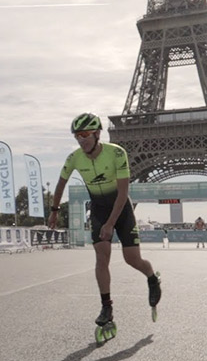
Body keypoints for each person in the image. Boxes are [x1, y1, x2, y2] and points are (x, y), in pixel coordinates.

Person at [48, 112, 161, 337]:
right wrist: (54, 211)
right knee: (101, 257)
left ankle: (151, 276)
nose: (81, 140)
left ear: (97, 134)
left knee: (132, 260)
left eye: (85, 135)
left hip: (121, 209)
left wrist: (111, 224)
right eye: (76, 136)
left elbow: (123, 192)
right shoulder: (74, 158)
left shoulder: (117, 153)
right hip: (99, 209)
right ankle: (106, 306)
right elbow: (60, 184)